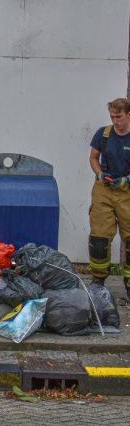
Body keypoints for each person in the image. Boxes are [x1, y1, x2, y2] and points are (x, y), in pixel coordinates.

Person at [88, 98, 130, 298]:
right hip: (103, 189)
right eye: (112, 116)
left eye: (119, 117)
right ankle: (98, 281)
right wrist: (99, 173)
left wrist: (126, 179)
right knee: (99, 239)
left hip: (127, 191)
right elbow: (93, 157)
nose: (115, 121)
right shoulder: (103, 134)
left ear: (128, 115)